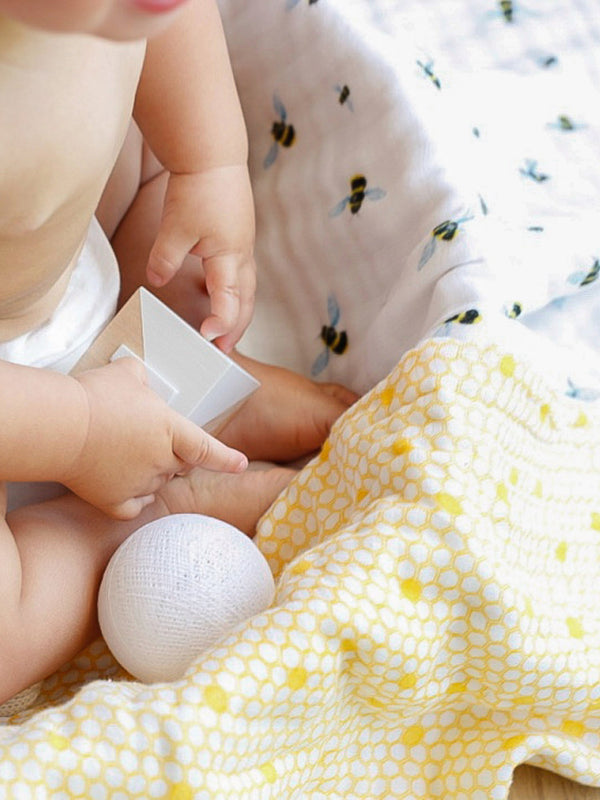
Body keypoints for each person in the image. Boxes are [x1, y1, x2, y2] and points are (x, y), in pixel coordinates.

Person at [0, 0, 357, 706]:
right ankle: (138, 514)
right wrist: (81, 430)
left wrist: (207, 166)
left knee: (155, 173)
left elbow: (171, 18)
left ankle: (180, 376)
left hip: (68, 257)